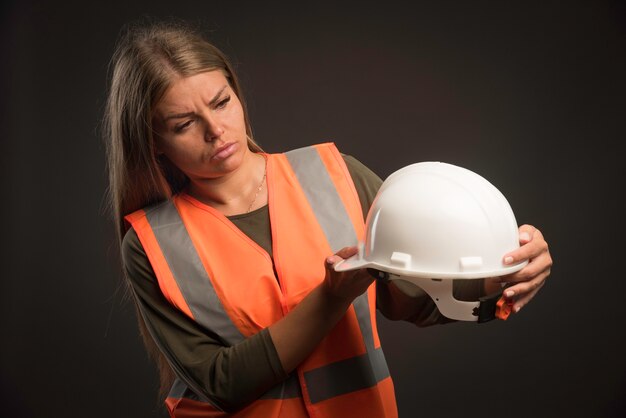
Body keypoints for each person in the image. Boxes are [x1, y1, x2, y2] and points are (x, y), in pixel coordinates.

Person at [104, 20, 552, 418]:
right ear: (154, 142)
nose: (215, 130)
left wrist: (507, 276)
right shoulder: (150, 244)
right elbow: (223, 384)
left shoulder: (335, 174)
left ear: (236, 94)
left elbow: (416, 297)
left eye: (221, 102)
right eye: (184, 123)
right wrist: (332, 296)